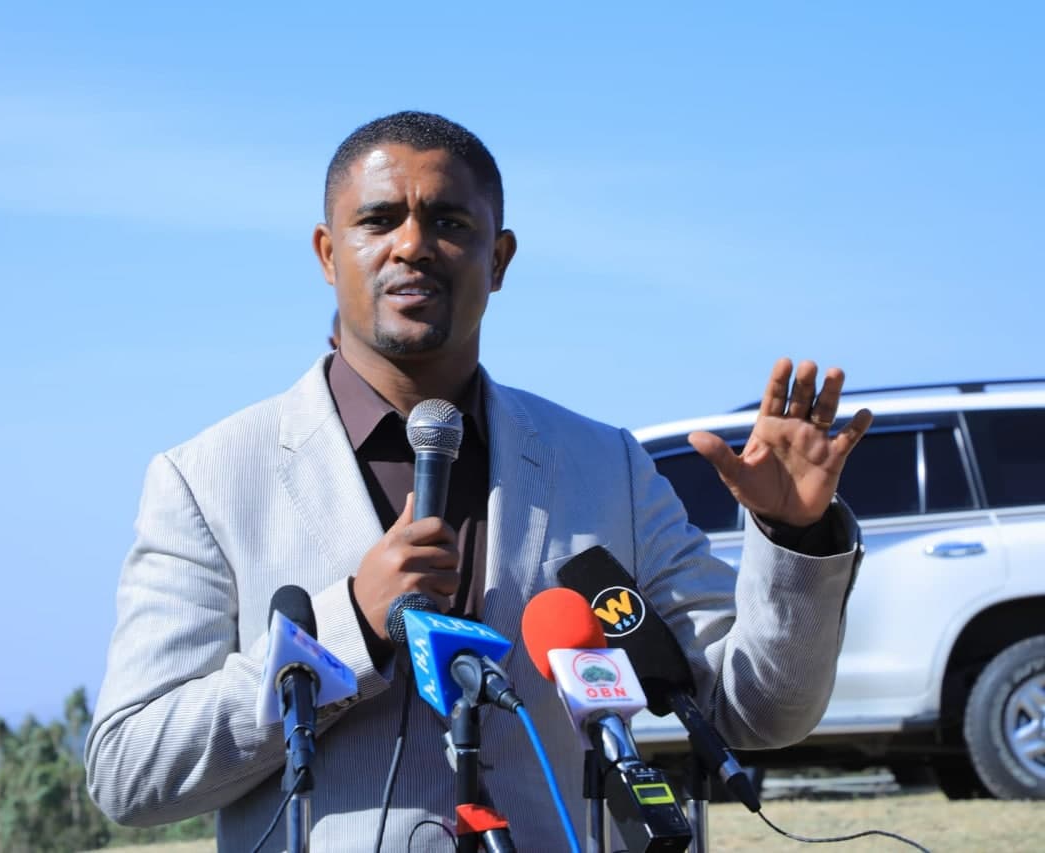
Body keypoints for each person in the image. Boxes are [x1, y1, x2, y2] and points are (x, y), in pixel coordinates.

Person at [85, 111, 873, 851]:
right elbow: (129, 768)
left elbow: (758, 709)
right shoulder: (207, 480)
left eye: (451, 223)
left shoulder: (607, 466)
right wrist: (349, 628)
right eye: (378, 220)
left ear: (498, 260)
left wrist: (794, 537)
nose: (413, 245)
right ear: (328, 254)